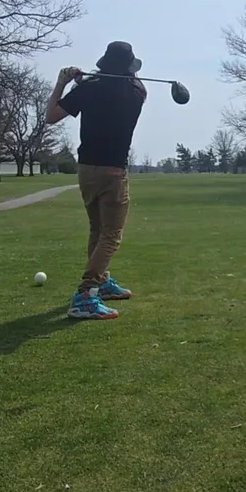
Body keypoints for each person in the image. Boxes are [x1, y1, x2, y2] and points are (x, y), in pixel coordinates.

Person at [44, 41, 147, 320]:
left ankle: (100, 283)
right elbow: (129, 83)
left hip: (87, 170)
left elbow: (51, 116)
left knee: (98, 230)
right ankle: (86, 294)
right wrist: (88, 82)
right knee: (111, 235)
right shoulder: (137, 92)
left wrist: (64, 82)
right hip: (113, 172)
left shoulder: (88, 88)